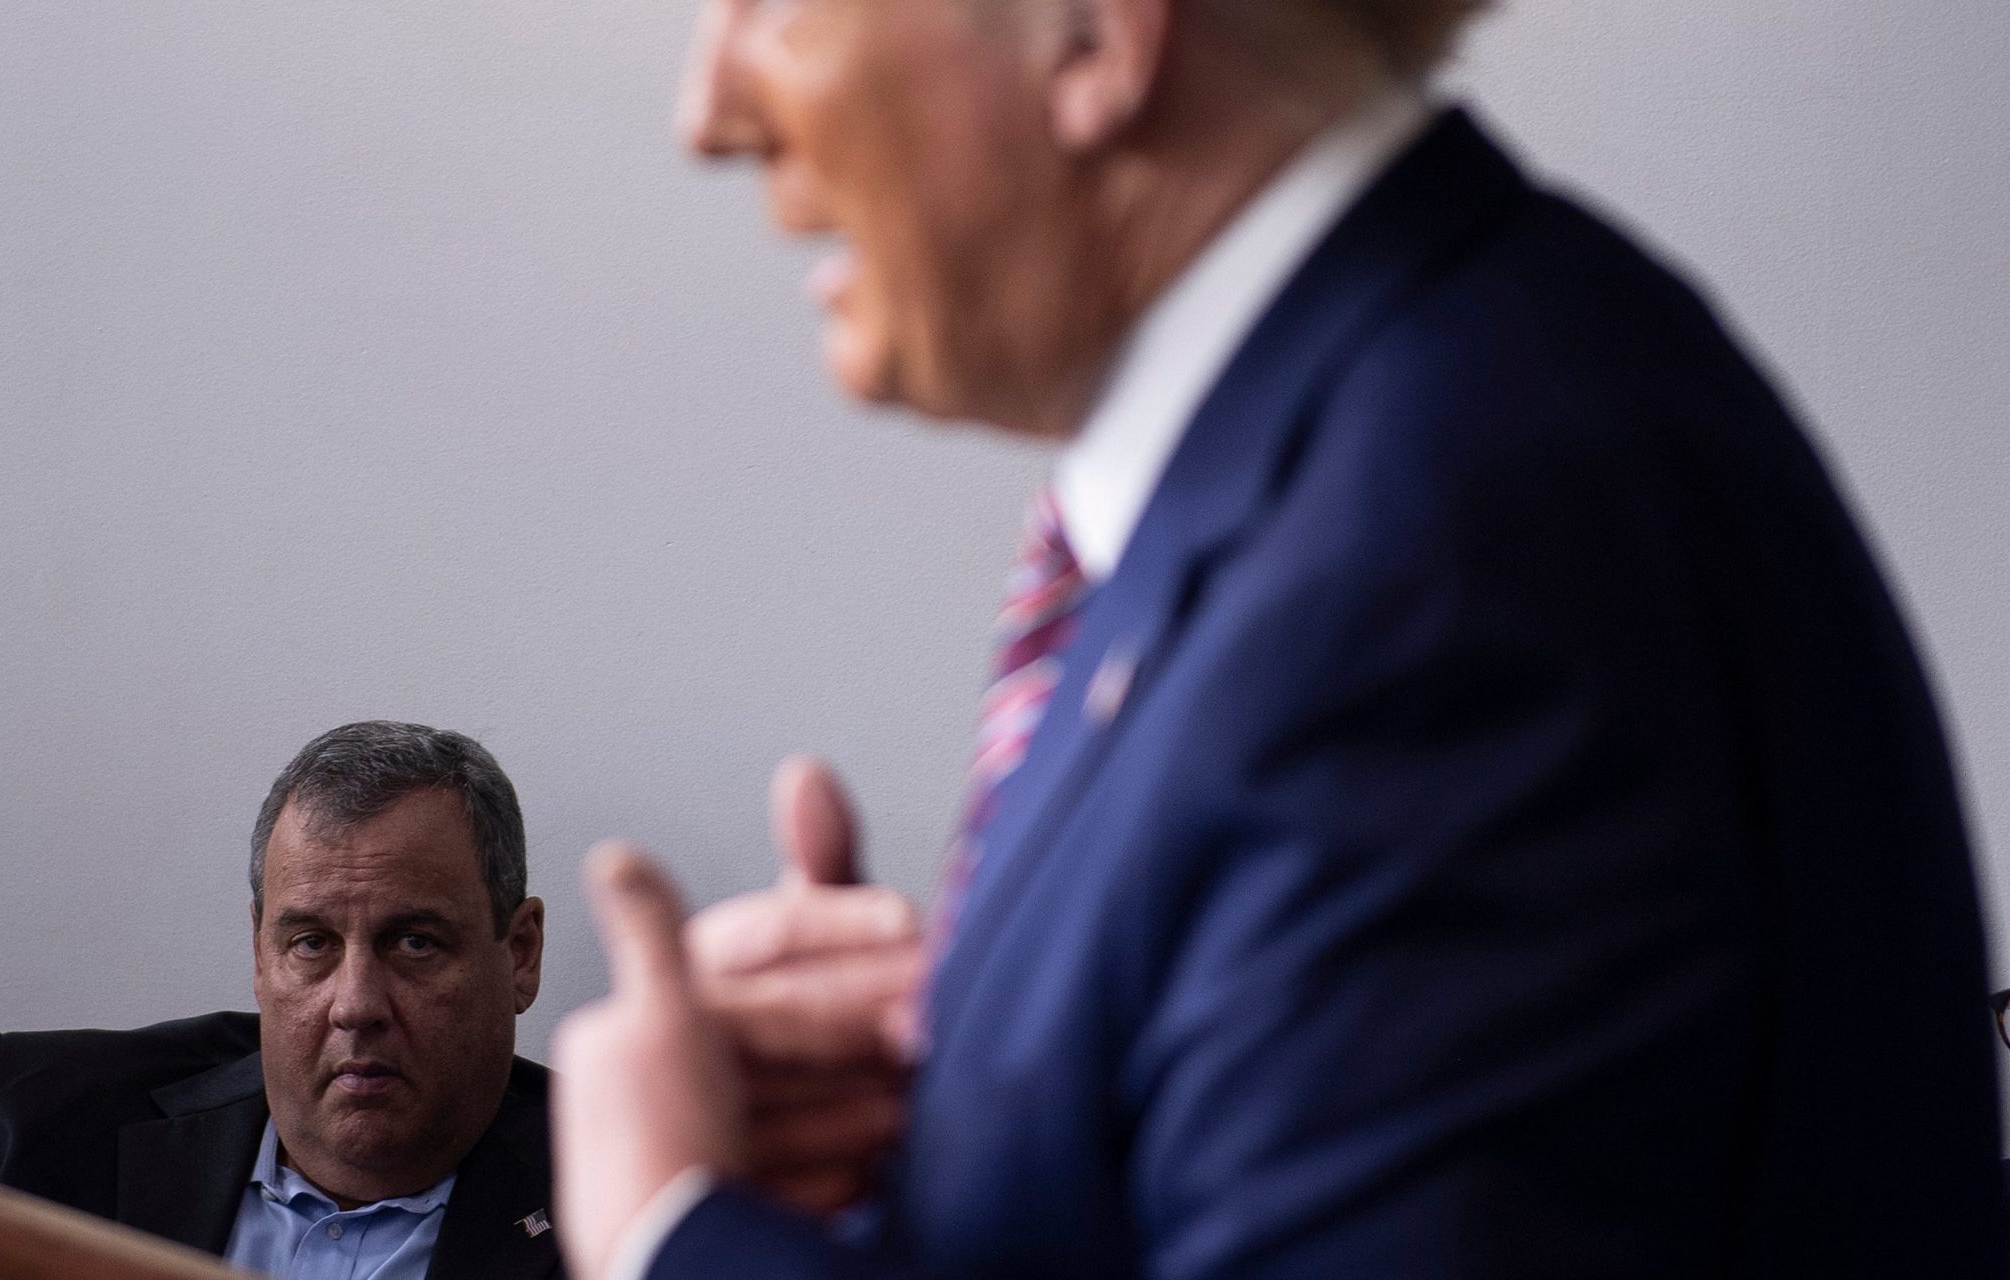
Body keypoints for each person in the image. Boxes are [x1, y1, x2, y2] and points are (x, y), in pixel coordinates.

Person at [550, 1, 2002, 1277]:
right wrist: (960, 1122)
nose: (708, 114)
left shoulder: (1442, 563)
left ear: (1096, 35)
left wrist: (673, 1234)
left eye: (779, 3)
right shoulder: (1405, 446)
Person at [0, 722, 564, 1280]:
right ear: (259, 953)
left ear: (520, 954)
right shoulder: (26, 1129)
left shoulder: (630, 1206)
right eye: (312, 943)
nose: (355, 1005)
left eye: (416, 943)